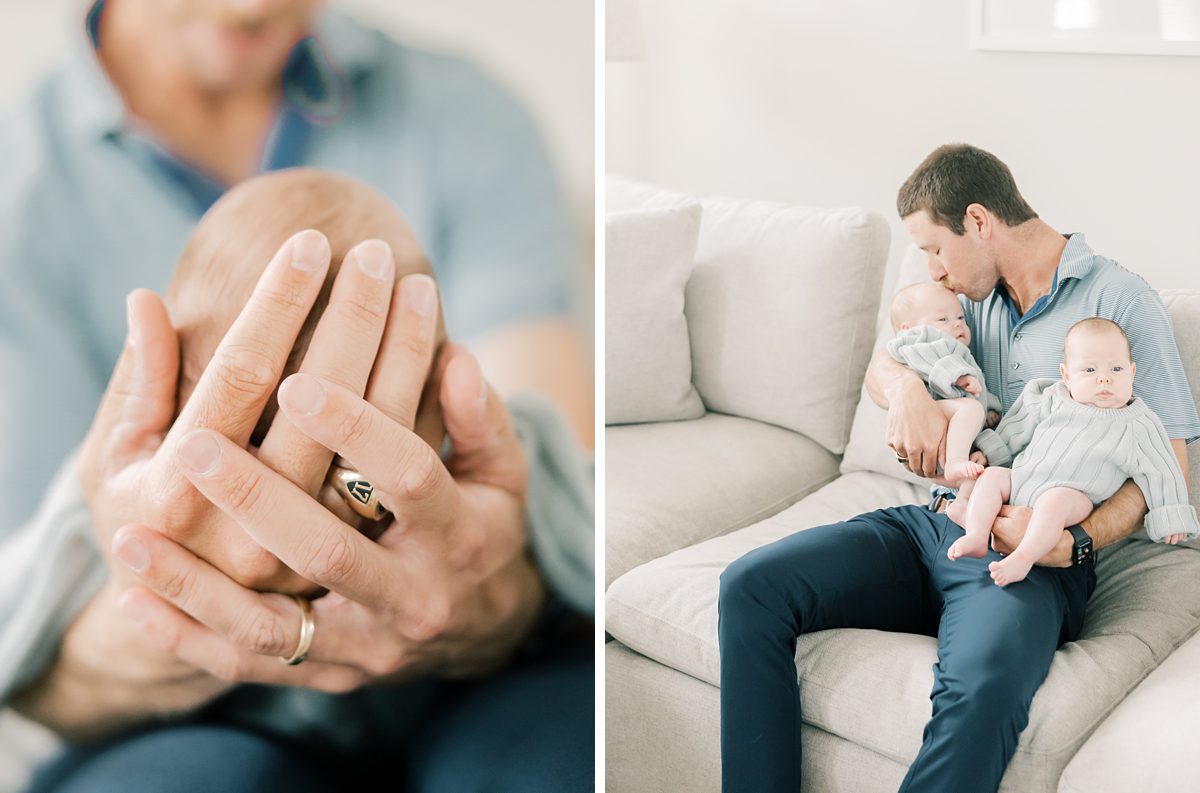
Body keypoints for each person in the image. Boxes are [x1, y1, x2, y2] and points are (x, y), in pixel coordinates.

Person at [0, 0, 593, 789]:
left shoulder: (465, 115)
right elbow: (22, 610)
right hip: (193, 721)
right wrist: (154, 590)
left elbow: (575, 508)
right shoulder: (21, 197)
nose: (253, 6)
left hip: (471, 685)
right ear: (174, 381)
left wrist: (500, 572)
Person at [717, 143, 1198, 793]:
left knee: (984, 687)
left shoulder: (1121, 299)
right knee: (750, 585)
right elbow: (888, 362)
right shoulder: (965, 303)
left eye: (935, 249)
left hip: (1025, 555)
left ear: (978, 221)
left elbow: (1166, 461)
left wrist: (1074, 541)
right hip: (931, 524)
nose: (934, 272)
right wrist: (910, 392)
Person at [949, 318, 1196, 585]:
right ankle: (976, 533)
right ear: (1066, 375)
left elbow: (1162, 470)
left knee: (1054, 502)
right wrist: (987, 452)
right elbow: (1015, 429)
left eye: (1116, 368)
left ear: (1132, 372)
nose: (1104, 378)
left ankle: (1023, 557)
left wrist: (1172, 515)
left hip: (1074, 496)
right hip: (1021, 479)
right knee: (992, 477)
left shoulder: (1137, 423)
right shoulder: (1051, 397)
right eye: (1089, 370)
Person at [886, 281, 1001, 485]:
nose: (957, 324)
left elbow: (980, 386)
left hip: (949, 435)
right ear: (908, 329)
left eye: (960, 317)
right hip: (931, 413)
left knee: (976, 477)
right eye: (942, 319)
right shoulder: (919, 341)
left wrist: (990, 407)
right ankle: (955, 463)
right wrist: (957, 376)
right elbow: (930, 360)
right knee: (970, 409)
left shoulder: (960, 351)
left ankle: (963, 503)